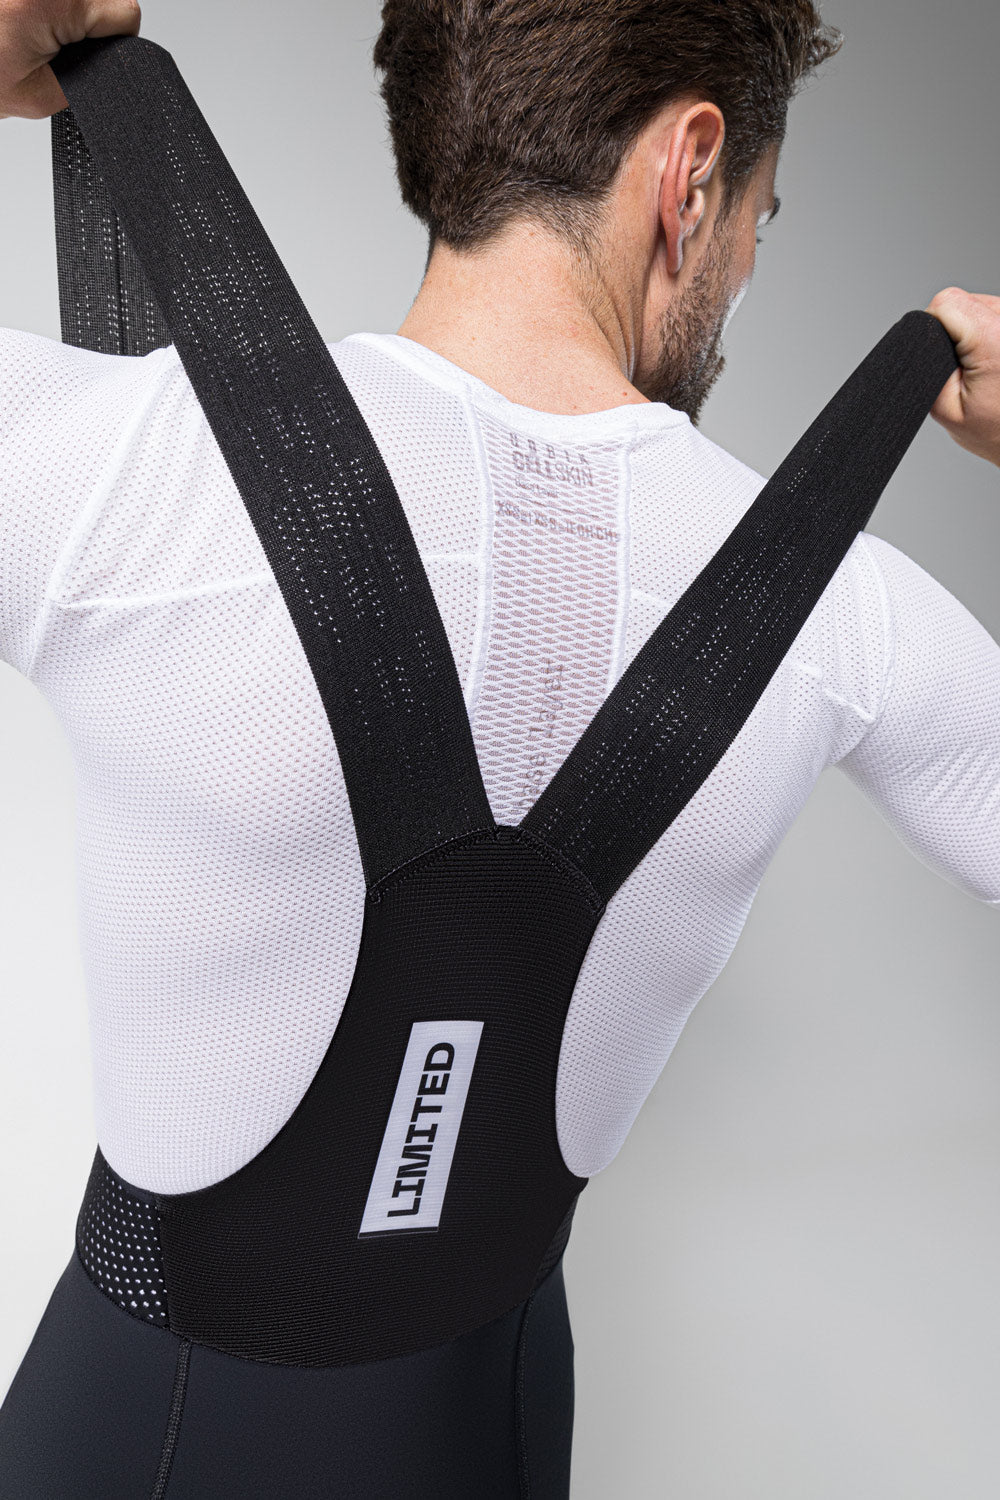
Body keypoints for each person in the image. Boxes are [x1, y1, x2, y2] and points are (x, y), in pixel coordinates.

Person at [1, 0, 999, 1495]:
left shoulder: (115, 468)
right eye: (762, 220)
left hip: (142, 1437)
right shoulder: (847, 618)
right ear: (690, 171)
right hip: (500, 1432)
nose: (743, 267)